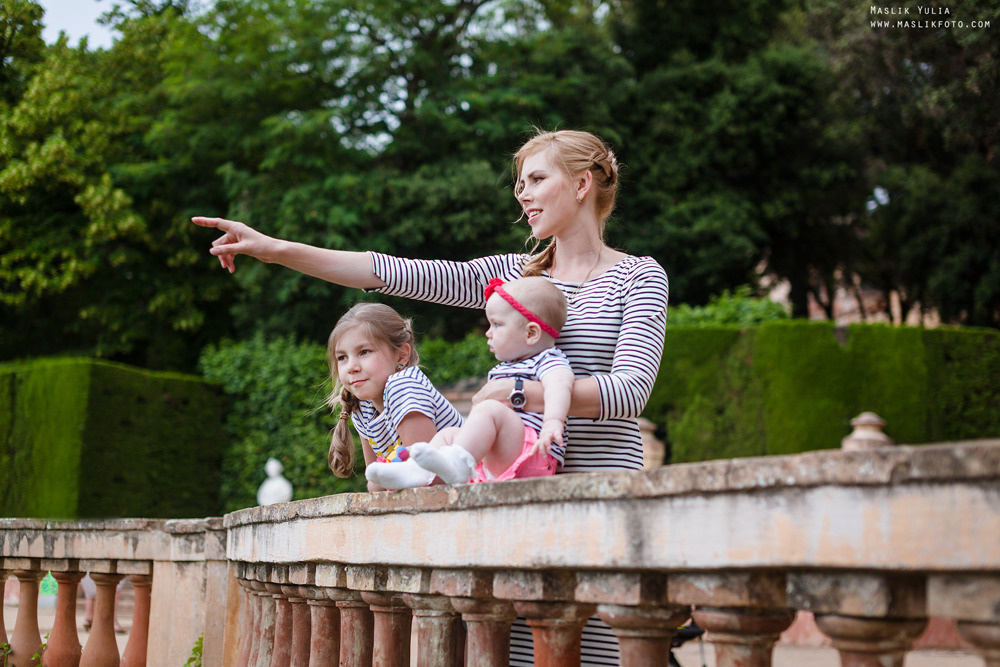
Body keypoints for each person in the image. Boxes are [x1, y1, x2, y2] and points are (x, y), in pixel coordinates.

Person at [193, 128, 669, 666]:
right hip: (513, 503)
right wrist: (276, 250)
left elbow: (629, 392)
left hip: (599, 503)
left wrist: (513, 391)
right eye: (519, 183)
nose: (522, 193)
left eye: (537, 179)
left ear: (583, 184)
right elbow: (392, 272)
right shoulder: (514, 274)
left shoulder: (638, 275)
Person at [366, 276, 575, 489]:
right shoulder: (504, 369)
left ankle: (457, 464)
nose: (488, 332)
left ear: (531, 333)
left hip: (534, 454)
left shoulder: (548, 359)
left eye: (497, 324)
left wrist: (553, 422)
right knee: (447, 435)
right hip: (502, 454)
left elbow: (560, 386)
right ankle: (417, 474)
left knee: (490, 409)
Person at [326, 302, 464, 491]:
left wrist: (380, 480)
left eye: (364, 352)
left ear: (401, 356)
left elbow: (424, 476)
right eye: (342, 357)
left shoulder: (403, 386)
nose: (351, 367)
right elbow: (376, 477)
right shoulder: (362, 406)